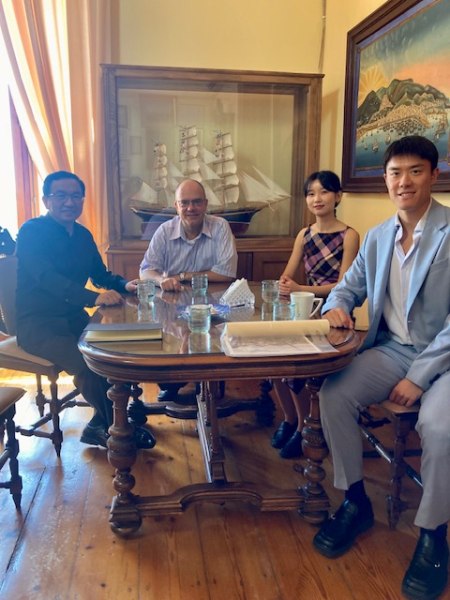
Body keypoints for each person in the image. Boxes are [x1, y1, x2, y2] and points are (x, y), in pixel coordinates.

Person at [312, 136, 450, 600]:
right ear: (385, 179)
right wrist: (336, 305)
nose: (403, 181)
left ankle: (432, 533)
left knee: (440, 427)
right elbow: (347, 287)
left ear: (433, 175)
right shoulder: (376, 237)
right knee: (333, 395)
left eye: (415, 171)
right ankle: (355, 501)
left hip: (444, 359)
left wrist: (419, 377)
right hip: (392, 349)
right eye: (395, 172)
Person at [15, 170, 155, 449]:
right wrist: (94, 298)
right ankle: (119, 428)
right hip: (38, 325)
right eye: (61, 195)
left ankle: (99, 425)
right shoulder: (31, 232)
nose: (69, 202)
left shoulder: (82, 234)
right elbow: (46, 278)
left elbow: (99, 274)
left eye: (76, 196)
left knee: (120, 350)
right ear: (46, 200)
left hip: (74, 319)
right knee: (90, 363)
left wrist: (125, 285)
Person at [271, 171, 359, 458]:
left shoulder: (349, 235)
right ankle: (289, 419)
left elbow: (343, 285)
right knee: (273, 361)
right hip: (303, 310)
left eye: (324, 192)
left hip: (335, 314)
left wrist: (301, 289)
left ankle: (304, 429)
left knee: (298, 368)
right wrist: (287, 285)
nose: (317, 198)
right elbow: (288, 275)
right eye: (311, 193)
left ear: (338, 196)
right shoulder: (304, 234)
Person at [140, 178, 238, 401]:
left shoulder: (220, 226)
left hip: (214, 310)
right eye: (184, 203)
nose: (190, 208)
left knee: (210, 347)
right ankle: (179, 385)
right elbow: (145, 270)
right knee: (168, 357)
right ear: (176, 206)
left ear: (205, 204)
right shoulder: (164, 231)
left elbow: (226, 273)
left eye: (196, 202)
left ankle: (206, 391)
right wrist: (161, 279)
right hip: (172, 310)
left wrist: (182, 276)